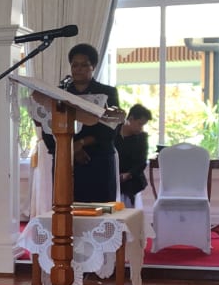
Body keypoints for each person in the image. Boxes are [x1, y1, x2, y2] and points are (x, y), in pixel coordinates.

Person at [43, 43, 122, 202]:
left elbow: (111, 127)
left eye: (84, 65)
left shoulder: (107, 93)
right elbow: (47, 125)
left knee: (101, 211)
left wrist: (82, 143)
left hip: (98, 160)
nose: (78, 69)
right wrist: (72, 148)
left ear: (93, 66)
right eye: (74, 65)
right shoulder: (58, 93)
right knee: (66, 209)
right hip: (65, 160)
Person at [114, 104, 153, 207]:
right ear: (130, 119)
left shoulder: (141, 138)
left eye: (143, 125)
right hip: (111, 177)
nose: (141, 128)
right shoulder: (113, 132)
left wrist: (128, 174)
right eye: (140, 124)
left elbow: (141, 162)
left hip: (131, 181)